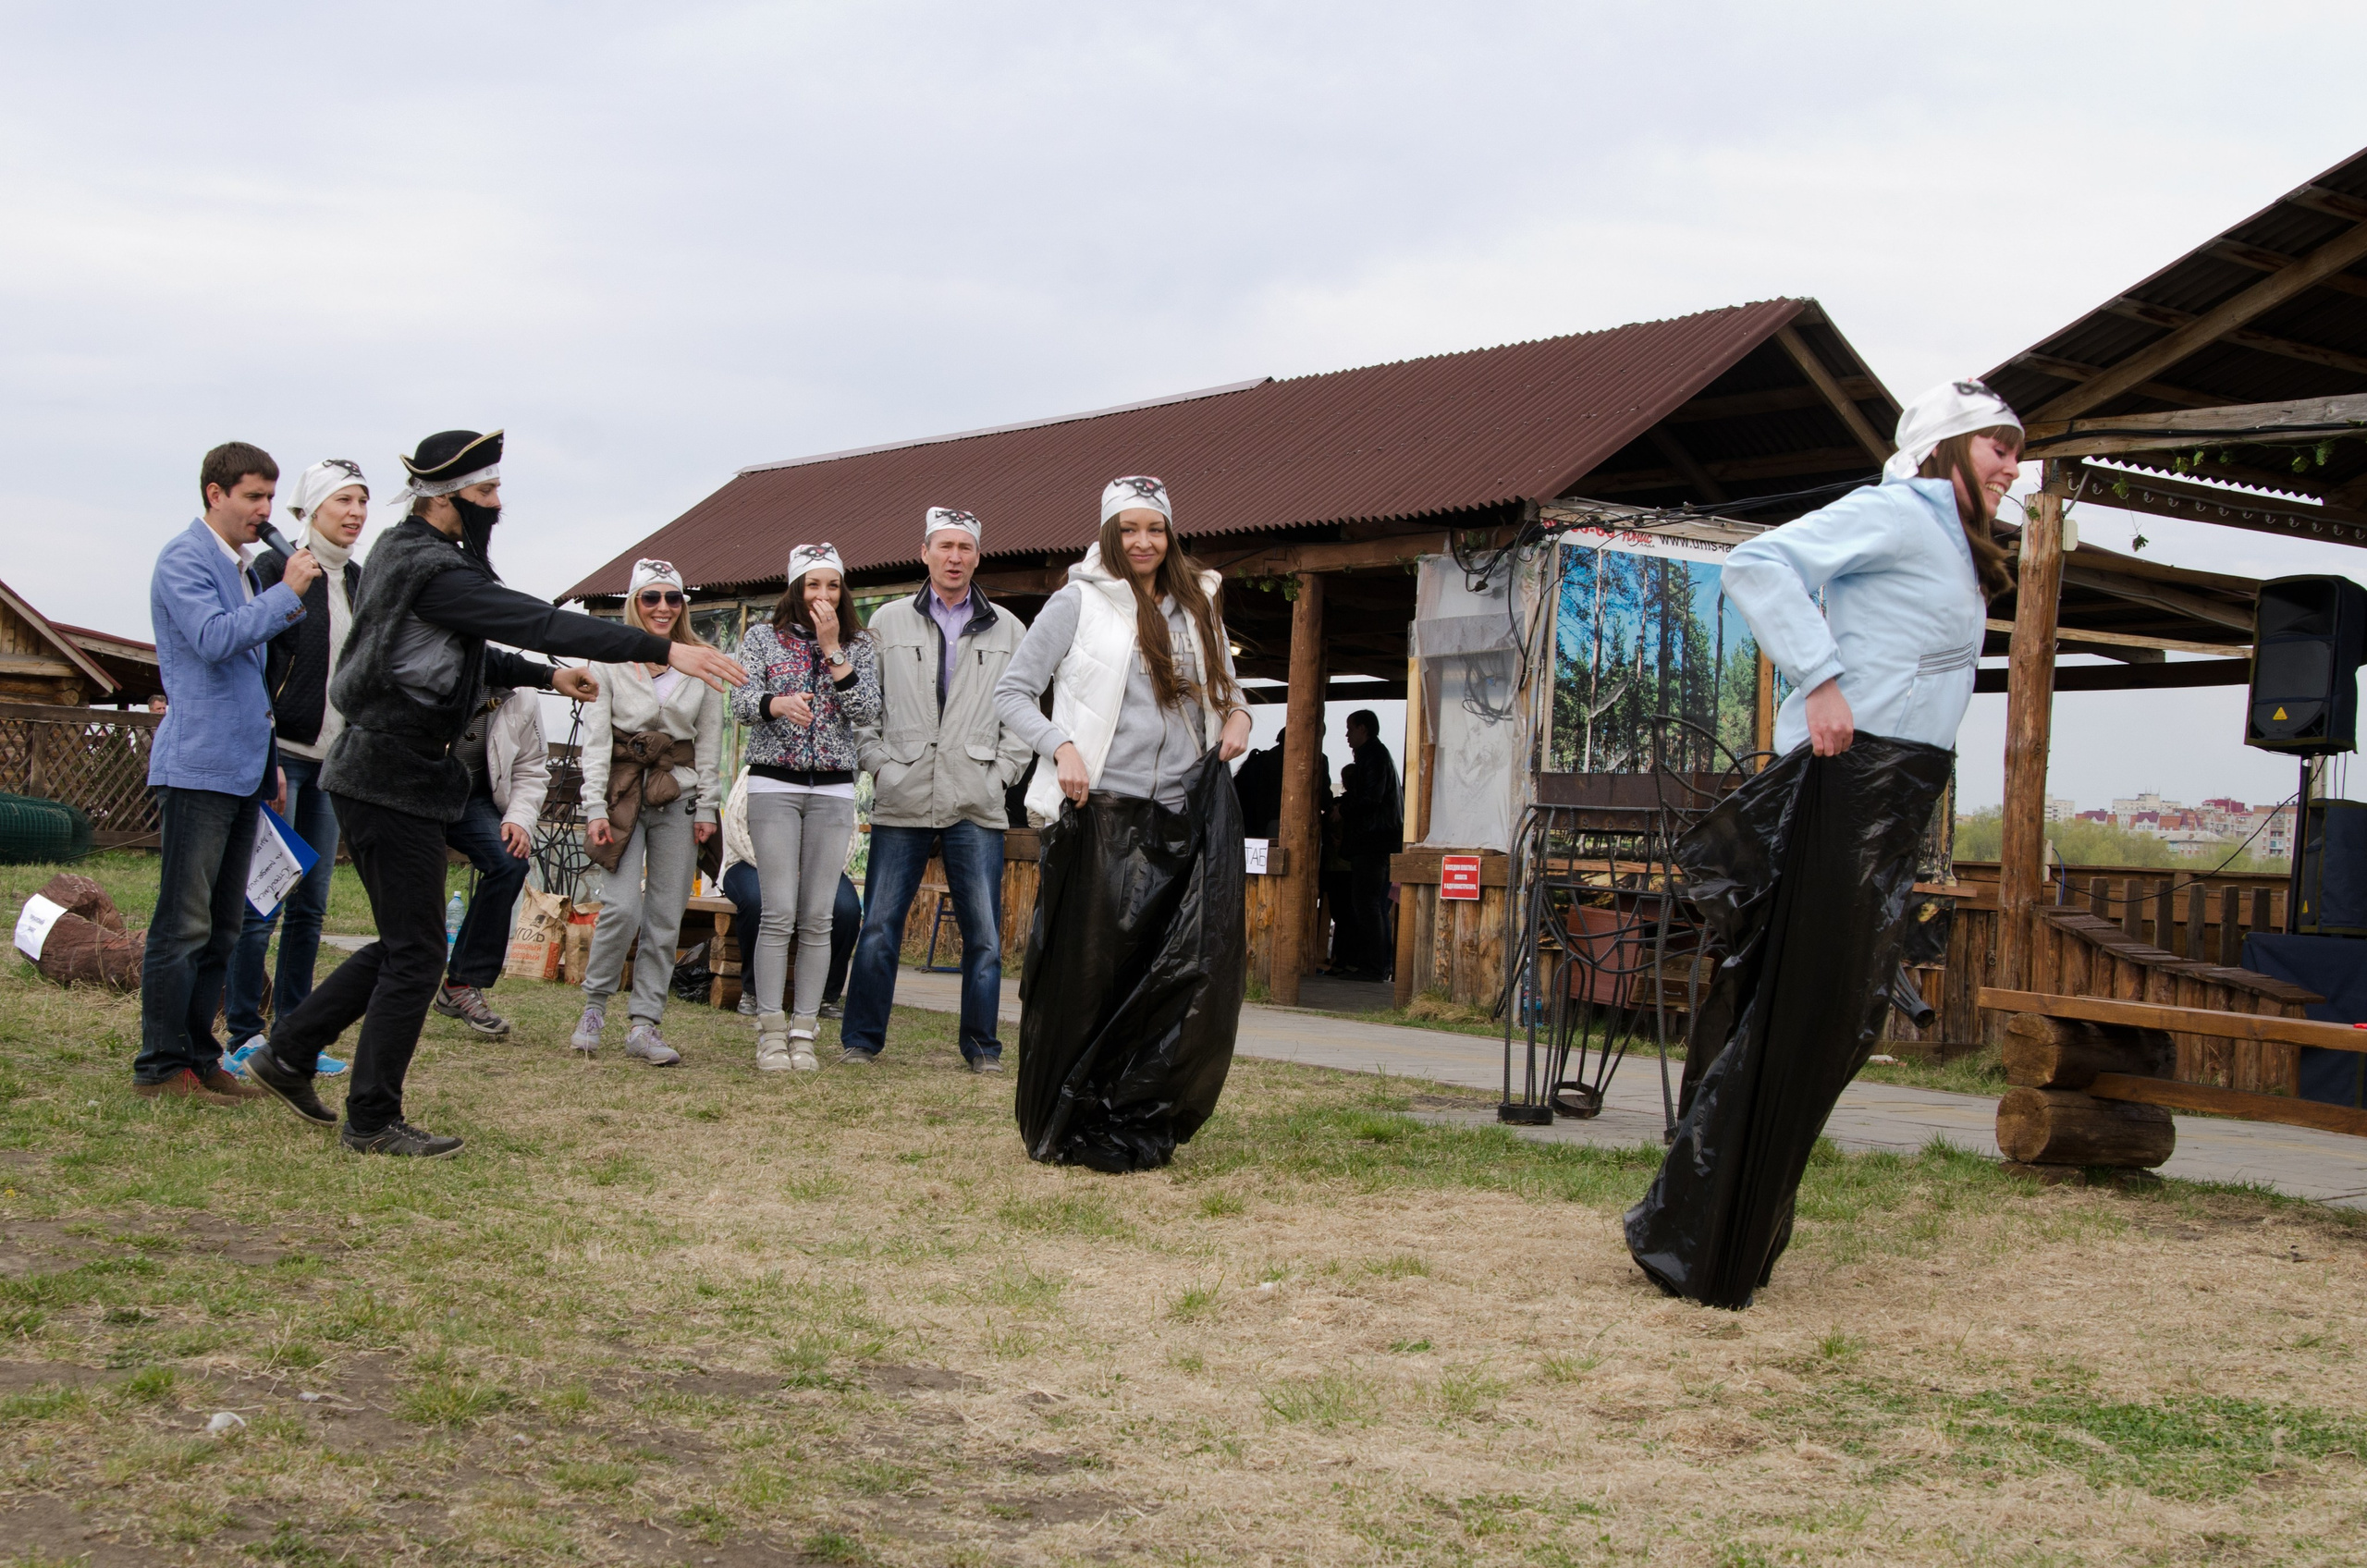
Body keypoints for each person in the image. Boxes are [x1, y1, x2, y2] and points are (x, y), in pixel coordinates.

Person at [1623, 379, 2022, 1308]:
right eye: (1998, 446)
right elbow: (1759, 564)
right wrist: (1822, 680)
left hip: (1895, 788)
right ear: (1947, 447)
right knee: (1804, 1012)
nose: (2013, 466)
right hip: (1850, 775)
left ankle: (1714, 1234)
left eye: (2016, 450)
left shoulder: (1954, 540)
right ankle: (1693, 1241)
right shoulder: (1898, 512)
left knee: (1831, 1019)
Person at [241, 431, 745, 1156]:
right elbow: (532, 619)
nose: (497, 503)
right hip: (388, 775)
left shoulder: (407, 554)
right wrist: (662, 647)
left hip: (396, 775)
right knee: (417, 955)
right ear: (447, 497)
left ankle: (287, 1053)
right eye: (485, 492)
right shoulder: (428, 566)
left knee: (406, 945)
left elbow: (473, 646)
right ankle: (371, 1119)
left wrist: (547, 676)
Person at [994, 476, 1254, 1169]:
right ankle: (1069, 1115)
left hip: (1183, 811)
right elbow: (1012, 693)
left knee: (1172, 975)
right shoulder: (1077, 602)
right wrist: (1061, 746)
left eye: (1155, 528)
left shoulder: (1198, 602)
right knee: (1093, 976)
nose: (1143, 542)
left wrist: (1238, 716)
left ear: (1170, 534)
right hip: (1102, 811)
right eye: (1130, 529)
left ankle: (1139, 1108)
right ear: (1110, 533)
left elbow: (1226, 689)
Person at [135, 441, 318, 1105]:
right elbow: (214, 640)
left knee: (222, 927)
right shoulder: (184, 558)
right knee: (183, 924)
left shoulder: (239, 569)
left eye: (270, 497)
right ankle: (160, 1066)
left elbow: (250, 680)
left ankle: (199, 1055)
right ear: (215, 493)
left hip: (240, 770)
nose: (265, 510)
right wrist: (286, 593)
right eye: (253, 496)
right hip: (197, 769)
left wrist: (269, 763)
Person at [844, 507, 1033, 1071]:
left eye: (964, 547)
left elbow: (1023, 711)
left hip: (976, 796)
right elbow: (863, 706)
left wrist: (1002, 774)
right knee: (879, 926)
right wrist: (879, 764)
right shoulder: (886, 622)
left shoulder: (1010, 628)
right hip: (902, 792)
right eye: (944, 546)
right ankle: (862, 1041)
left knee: (984, 936)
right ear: (924, 552)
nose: (955, 557)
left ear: (978, 556)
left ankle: (981, 1047)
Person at [225, 459, 368, 1072]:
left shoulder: (360, 581)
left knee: (311, 905)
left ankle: (295, 1035)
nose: (356, 513)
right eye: (343, 501)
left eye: (362, 501)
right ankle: (242, 1034)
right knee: (263, 900)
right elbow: (252, 664)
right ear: (310, 509)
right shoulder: (274, 569)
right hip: (282, 756)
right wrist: (266, 755)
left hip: (334, 763)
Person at [730, 544, 882, 1072]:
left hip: (834, 790)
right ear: (796, 588)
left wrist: (834, 649)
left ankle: (804, 1032)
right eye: (813, 584)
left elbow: (867, 709)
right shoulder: (761, 638)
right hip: (773, 785)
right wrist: (776, 703)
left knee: (819, 917)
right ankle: (770, 1030)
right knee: (778, 913)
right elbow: (740, 703)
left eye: (832, 585)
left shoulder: (858, 644)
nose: (823, 595)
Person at [570, 559, 725, 1066]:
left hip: (678, 794)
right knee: (621, 907)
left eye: (672, 598)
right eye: (650, 597)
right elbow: (596, 741)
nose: (662, 607)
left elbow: (710, 744)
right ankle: (594, 1006)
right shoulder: (609, 658)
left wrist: (708, 807)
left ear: (683, 605)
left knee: (665, 913)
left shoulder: (701, 660)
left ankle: (645, 1023)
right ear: (634, 603)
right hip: (623, 793)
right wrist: (594, 806)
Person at [431, 683, 549, 1037]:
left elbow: (531, 767)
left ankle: (461, 983)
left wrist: (519, 819)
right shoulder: (437, 670)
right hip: (417, 792)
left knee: (510, 861)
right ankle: (398, 980)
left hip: (473, 797)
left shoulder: (522, 694)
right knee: (418, 885)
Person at [717, 769, 862, 1019]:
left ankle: (827, 996)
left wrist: (816, 870)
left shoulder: (832, 770)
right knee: (758, 901)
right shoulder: (758, 770)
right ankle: (753, 991)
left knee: (847, 908)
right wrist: (780, 868)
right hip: (750, 862)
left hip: (816, 868)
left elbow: (849, 833)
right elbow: (735, 828)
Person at [1338, 708, 1402, 978]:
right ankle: (1378, 965)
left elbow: (1370, 798)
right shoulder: (1377, 754)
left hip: (1373, 839)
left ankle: (1373, 967)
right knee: (1373, 904)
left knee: (1367, 904)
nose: (1347, 735)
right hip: (1380, 838)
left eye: (1350, 728)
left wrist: (1343, 808)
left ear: (1363, 729)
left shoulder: (1373, 756)